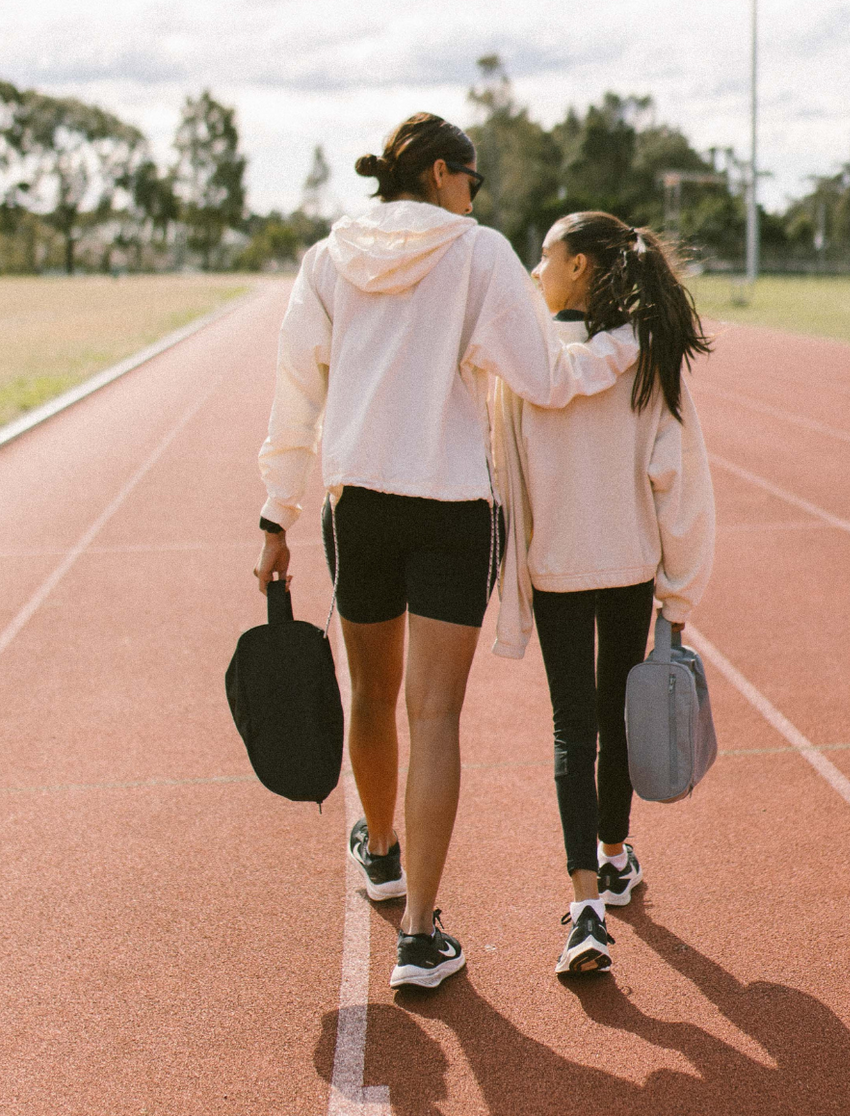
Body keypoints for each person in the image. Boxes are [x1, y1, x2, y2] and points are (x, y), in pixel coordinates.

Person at [254, 114, 639, 991]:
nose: (476, 195)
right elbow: (543, 378)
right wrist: (620, 345)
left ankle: (380, 851)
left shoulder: (326, 260)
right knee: (433, 717)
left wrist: (275, 516)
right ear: (438, 174)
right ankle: (420, 936)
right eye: (471, 179)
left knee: (373, 694)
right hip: (452, 509)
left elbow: (293, 394)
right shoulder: (478, 253)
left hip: (360, 506)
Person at [490, 211, 715, 977]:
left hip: (555, 567)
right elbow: (675, 476)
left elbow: (501, 466)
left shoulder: (521, 362)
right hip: (625, 563)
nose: (534, 266)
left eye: (545, 254)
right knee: (617, 719)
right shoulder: (649, 359)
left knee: (570, 729)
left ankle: (585, 903)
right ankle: (614, 854)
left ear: (580, 266)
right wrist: (679, 597)